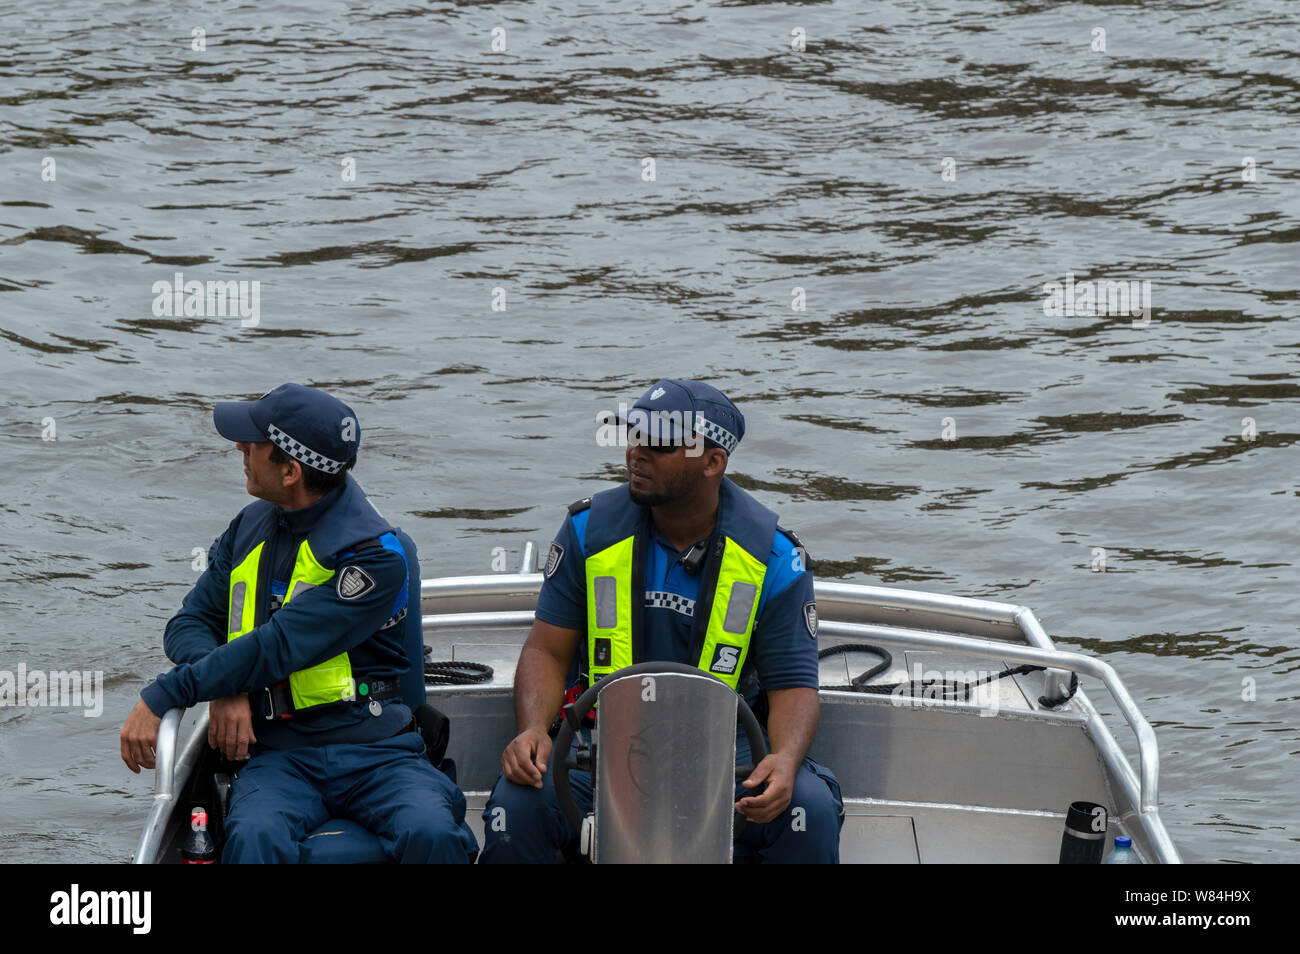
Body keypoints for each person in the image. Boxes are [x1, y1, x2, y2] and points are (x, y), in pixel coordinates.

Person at [481, 379, 843, 863]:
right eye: (633, 436)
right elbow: (547, 649)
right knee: (517, 803)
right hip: (600, 740)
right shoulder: (587, 531)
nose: (636, 453)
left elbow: (795, 685)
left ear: (714, 461)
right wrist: (531, 729)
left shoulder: (775, 557)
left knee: (809, 810)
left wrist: (783, 759)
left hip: (725, 750)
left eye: (660, 444)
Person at [120, 383, 477, 864]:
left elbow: (277, 646)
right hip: (279, 755)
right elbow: (188, 623)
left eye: (253, 445)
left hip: (375, 751)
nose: (241, 451)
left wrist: (164, 694)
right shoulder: (247, 528)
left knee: (433, 833)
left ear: (290, 471)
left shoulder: (374, 560)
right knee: (252, 841)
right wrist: (228, 690)